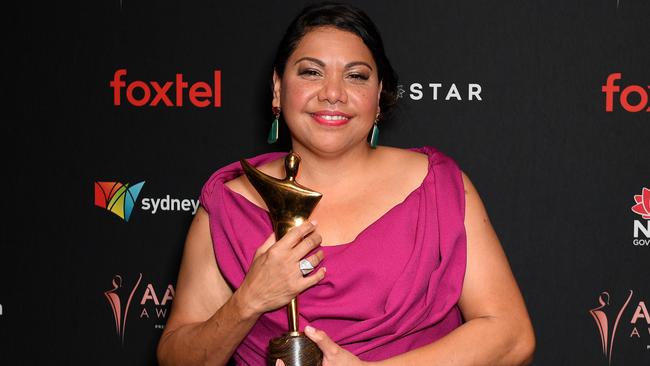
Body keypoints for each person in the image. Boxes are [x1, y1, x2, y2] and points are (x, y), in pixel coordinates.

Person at [157, 2, 535, 365]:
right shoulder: (230, 204)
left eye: (355, 76)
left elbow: (512, 337)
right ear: (277, 88)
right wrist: (248, 301)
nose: (333, 93)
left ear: (379, 96)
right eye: (311, 72)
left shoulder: (438, 187)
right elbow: (176, 356)